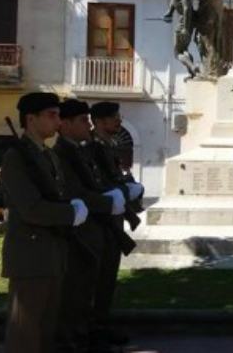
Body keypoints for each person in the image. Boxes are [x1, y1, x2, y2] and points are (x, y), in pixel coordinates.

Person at [1, 92, 89, 353]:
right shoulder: (16, 157)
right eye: (51, 115)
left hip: (53, 254)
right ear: (31, 118)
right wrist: (70, 214)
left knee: (45, 331)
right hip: (30, 256)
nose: (58, 121)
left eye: (59, 115)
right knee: (24, 333)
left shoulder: (47, 156)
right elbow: (31, 209)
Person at [53, 99, 131, 353]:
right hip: (83, 228)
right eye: (82, 121)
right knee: (78, 289)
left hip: (99, 225)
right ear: (65, 124)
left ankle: (91, 330)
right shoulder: (63, 153)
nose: (87, 125)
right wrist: (109, 202)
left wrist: (121, 195)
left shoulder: (81, 150)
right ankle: (75, 337)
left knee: (98, 283)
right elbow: (76, 191)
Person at [87, 101, 144, 347]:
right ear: (99, 122)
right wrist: (121, 189)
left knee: (108, 278)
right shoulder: (91, 148)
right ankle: (92, 329)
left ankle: (101, 324)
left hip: (114, 219)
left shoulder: (108, 145)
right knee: (97, 280)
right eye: (114, 118)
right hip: (101, 221)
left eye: (118, 117)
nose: (118, 121)